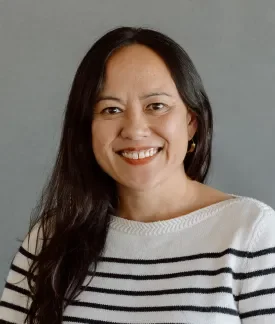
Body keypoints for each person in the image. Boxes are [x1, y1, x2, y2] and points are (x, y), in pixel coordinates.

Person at [0, 26, 274, 324]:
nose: (134, 129)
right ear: (86, 129)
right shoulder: (49, 237)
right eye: (110, 109)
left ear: (191, 122)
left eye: (156, 106)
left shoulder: (252, 234)